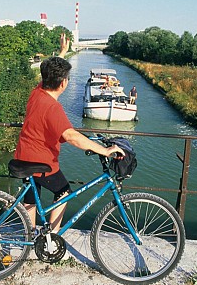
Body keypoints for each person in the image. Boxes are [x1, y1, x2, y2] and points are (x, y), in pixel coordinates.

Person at [14, 34, 125, 233]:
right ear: (63, 83)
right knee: (63, 191)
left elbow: (49, 76)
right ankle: (53, 238)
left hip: (23, 155)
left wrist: (63, 53)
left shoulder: (37, 93)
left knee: (31, 197)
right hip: (40, 162)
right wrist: (104, 150)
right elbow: (71, 136)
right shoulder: (52, 108)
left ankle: (29, 237)